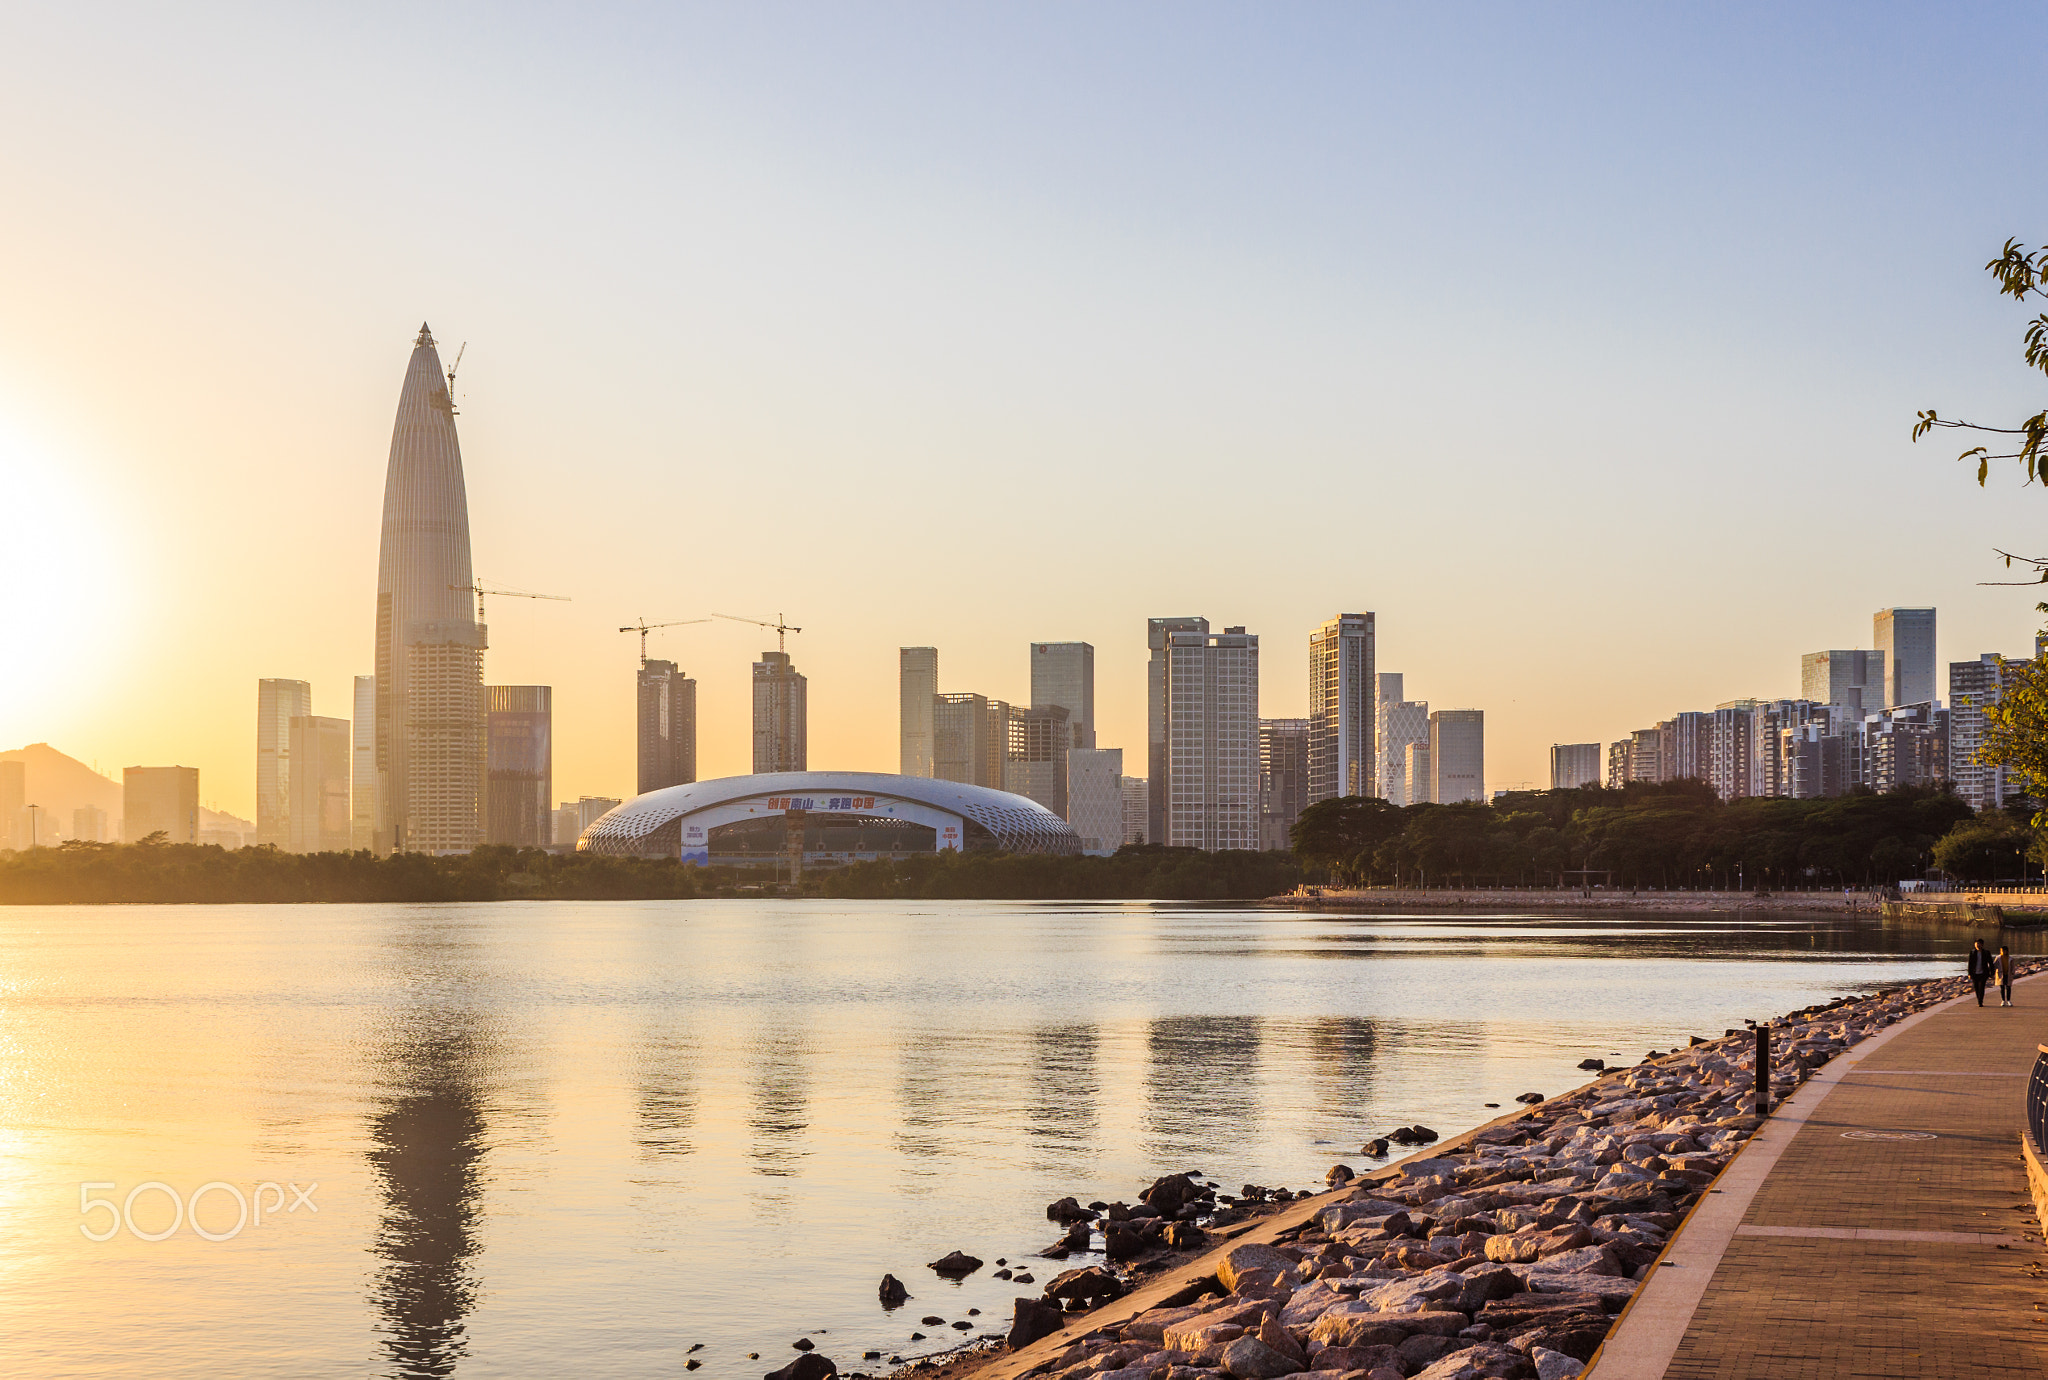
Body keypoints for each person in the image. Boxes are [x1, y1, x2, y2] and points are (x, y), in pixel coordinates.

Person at [1968, 939, 1993, 1006]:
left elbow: (1990, 963)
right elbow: (1970, 964)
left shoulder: (1986, 952)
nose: (1977, 945)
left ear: (1982, 944)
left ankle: (1980, 1001)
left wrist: (1992, 973)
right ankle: (1979, 999)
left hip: (1983, 973)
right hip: (1974, 973)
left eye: (1979, 944)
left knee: (1981, 987)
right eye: (1976, 944)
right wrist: (1969, 973)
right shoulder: (1972, 952)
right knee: (1976, 988)